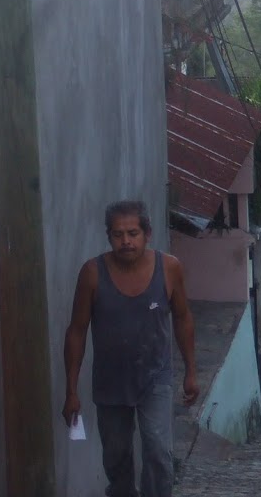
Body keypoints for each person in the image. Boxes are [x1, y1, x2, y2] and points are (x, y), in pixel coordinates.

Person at [63, 200, 200, 497]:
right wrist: (71, 391)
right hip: (110, 382)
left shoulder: (169, 268)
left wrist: (191, 372)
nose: (125, 241)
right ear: (108, 236)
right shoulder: (92, 273)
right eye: (117, 234)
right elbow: (76, 331)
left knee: (158, 453)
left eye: (133, 233)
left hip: (155, 378)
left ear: (147, 234)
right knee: (116, 457)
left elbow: (183, 319)